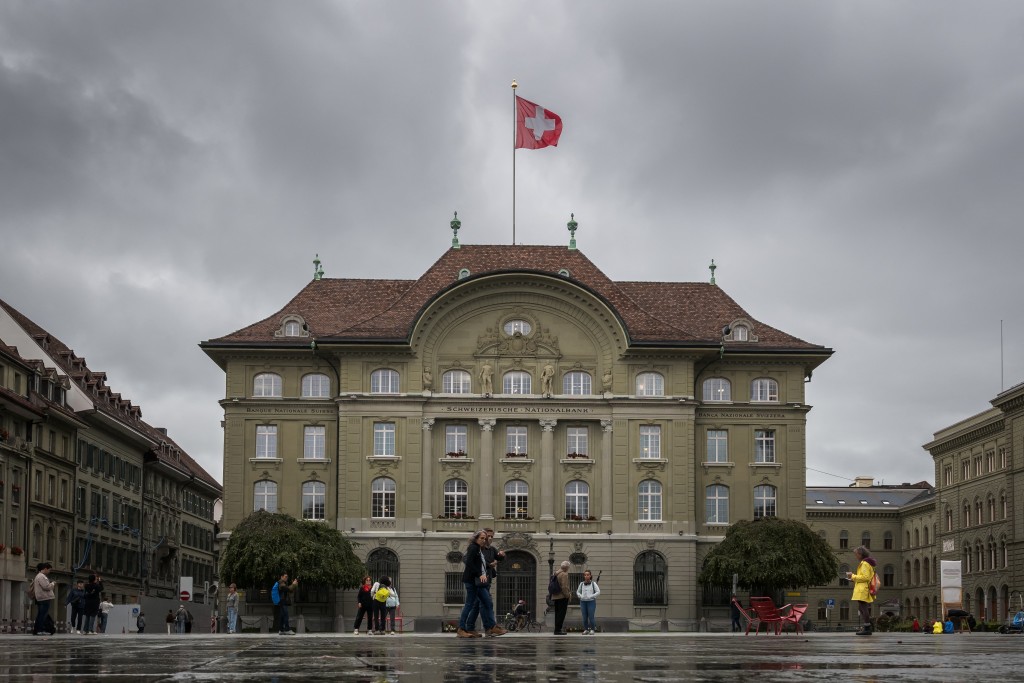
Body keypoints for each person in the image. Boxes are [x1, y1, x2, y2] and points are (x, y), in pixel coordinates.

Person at [457, 529, 503, 638]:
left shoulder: (480, 548)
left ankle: (492, 627)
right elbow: (469, 563)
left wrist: (492, 563)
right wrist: (479, 574)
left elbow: (482, 564)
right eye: (481, 538)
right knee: (470, 605)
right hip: (472, 581)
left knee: (487, 603)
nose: (484, 540)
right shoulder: (473, 547)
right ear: (476, 538)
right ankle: (462, 629)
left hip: (480, 581)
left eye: (485, 538)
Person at [845, 546, 876, 636]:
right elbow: (864, 577)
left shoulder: (865, 564)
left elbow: (865, 577)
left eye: (856, 554)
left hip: (863, 588)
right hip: (862, 587)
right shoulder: (866, 563)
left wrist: (853, 576)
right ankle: (866, 626)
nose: (856, 556)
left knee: (863, 607)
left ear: (860, 554)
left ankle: (867, 627)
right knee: (861, 607)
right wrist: (853, 579)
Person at [31, 562, 57, 636]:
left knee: (41, 614)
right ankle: (40, 629)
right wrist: (52, 584)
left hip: (41, 598)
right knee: (42, 615)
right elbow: (46, 587)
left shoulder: (38, 576)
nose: (49, 572)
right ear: (45, 569)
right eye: (49, 570)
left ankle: (38, 630)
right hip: (44, 598)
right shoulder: (41, 576)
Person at [576, 570, 600, 635]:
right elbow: (578, 592)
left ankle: (592, 629)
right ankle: (586, 629)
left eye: (588, 575)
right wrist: (580, 596)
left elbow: (598, 592)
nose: (586, 576)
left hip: (591, 602)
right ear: (584, 576)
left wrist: (592, 596)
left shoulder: (593, 583)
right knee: (584, 616)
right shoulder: (581, 584)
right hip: (583, 602)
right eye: (585, 575)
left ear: (590, 576)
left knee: (591, 616)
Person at [551, 560, 571, 635]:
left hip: (555, 596)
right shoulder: (564, 574)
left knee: (557, 613)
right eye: (568, 567)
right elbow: (564, 587)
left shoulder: (555, 573)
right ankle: (558, 630)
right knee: (561, 614)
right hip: (562, 597)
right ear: (566, 567)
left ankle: (556, 629)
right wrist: (567, 595)